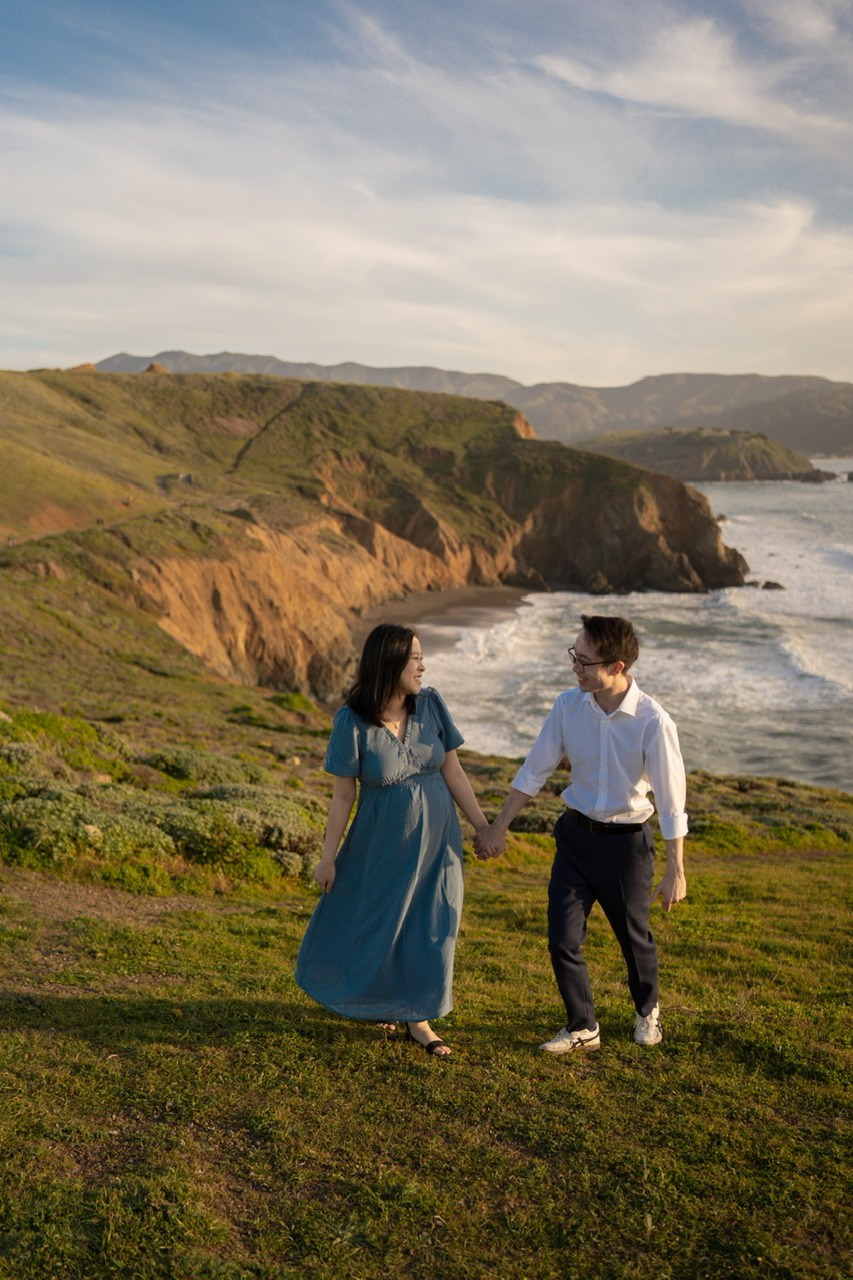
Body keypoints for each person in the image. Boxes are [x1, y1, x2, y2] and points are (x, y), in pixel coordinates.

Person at [476, 614, 687, 1053]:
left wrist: (676, 870)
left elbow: (670, 799)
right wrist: (498, 827)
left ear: (617, 667)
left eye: (585, 660)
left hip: (627, 846)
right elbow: (535, 769)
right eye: (575, 655)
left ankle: (647, 1011)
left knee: (634, 938)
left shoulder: (653, 721)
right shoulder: (567, 706)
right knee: (562, 938)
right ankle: (582, 1026)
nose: (575, 666)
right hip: (574, 838)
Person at [295, 622, 491, 1058]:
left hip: (439, 841)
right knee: (381, 921)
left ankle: (419, 1018)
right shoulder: (352, 721)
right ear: (390, 662)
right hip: (382, 843)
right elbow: (344, 793)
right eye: (414, 658)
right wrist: (327, 859)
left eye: (422, 657)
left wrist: (482, 825)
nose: (423, 665)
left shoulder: (432, 706)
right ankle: (383, 1000)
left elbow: (453, 771)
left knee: (434, 922)